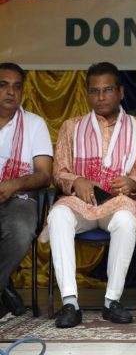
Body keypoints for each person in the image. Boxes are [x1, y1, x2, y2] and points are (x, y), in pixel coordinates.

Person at [46, 62, 136, 328]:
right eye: (94, 91)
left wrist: (133, 182)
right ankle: (70, 302)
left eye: (107, 90)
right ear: (87, 94)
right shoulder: (71, 127)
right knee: (58, 215)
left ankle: (112, 301)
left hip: (120, 203)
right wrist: (76, 181)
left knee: (125, 221)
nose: (101, 97)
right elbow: (59, 172)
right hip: (81, 203)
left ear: (120, 92)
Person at [0, 63, 53, 318]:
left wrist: (15, 184)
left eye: (17, 86)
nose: (11, 92)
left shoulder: (34, 124)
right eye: (3, 85)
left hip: (19, 196)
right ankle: (4, 287)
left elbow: (44, 174)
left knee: (20, 231)